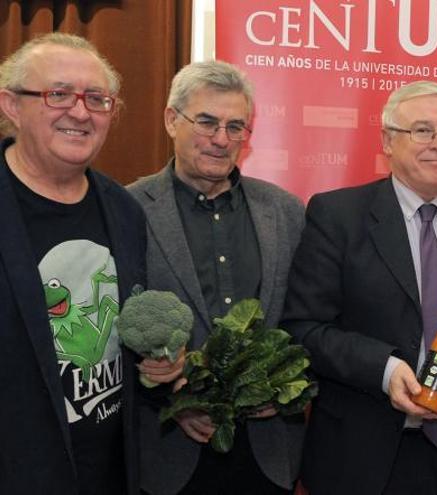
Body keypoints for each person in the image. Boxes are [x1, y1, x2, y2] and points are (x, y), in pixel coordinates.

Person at [282, 80, 437, 494]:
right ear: (388, 141)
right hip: (360, 453)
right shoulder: (337, 215)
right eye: (422, 130)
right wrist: (385, 368)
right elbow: (304, 329)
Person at [0, 33, 182, 494]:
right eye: (58, 94)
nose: (80, 112)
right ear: (11, 106)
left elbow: (125, 337)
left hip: (108, 473)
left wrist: (156, 366)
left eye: (97, 99)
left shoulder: (123, 209)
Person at [128, 61, 306, 495]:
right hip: (170, 451)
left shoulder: (285, 212)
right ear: (172, 119)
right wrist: (174, 400)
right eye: (207, 122)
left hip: (267, 452)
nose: (221, 139)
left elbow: (307, 317)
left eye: (235, 126)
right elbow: (112, 323)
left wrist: (282, 389)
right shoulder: (128, 208)